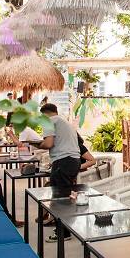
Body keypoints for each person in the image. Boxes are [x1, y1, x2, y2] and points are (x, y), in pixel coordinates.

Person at [39, 103, 81, 242]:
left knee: (59, 198)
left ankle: (63, 232)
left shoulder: (49, 121)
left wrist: (38, 144)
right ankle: (66, 228)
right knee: (65, 196)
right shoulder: (64, 122)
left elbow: (48, 143)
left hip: (63, 161)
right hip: (74, 161)